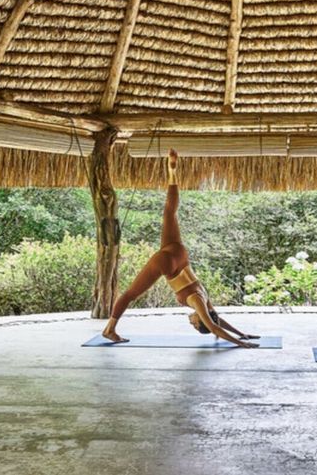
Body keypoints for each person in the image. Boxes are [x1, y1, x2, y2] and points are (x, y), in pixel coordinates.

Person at [102, 149, 259, 348]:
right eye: (195, 325)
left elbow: (215, 319)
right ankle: (109, 329)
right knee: (130, 295)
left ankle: (172, 171)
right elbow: (214, 325)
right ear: (201, 319)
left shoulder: (204, 297)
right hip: (168, 264)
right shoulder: (198, 303)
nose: (191, 323)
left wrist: (242, 333)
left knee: (170, 212)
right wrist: (241, 342)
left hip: (180, 254)